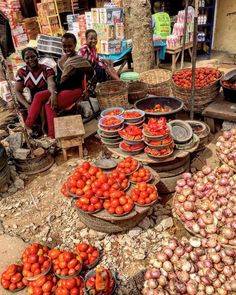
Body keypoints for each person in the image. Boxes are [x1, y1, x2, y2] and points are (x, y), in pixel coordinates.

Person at [21, 34, 92, 138]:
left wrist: (87, 89)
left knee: (49, 105)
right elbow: (58, 80)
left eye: (70, 46)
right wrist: (54, 92)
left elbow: (91, 72)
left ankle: (51, 137)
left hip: (74, 90)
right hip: (61, 89)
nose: (67, 49)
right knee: (38, 96)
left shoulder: (79, 60)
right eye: (64, 46)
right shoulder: (61, 60)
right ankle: (28, 126)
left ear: (75, 45)